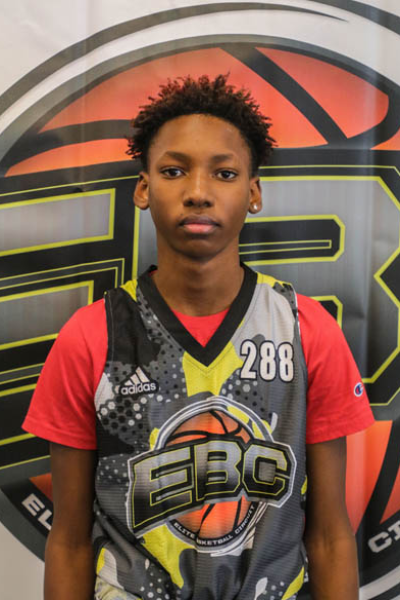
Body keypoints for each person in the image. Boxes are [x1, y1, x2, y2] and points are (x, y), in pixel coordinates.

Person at [23, 74, 374, 600]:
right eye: (173, 171)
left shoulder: (306, 330)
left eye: (224, 173)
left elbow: (329, 537)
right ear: (144, 189)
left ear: (253, 193)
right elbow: (70, 542)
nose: (198, 192)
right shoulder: (92, 336)